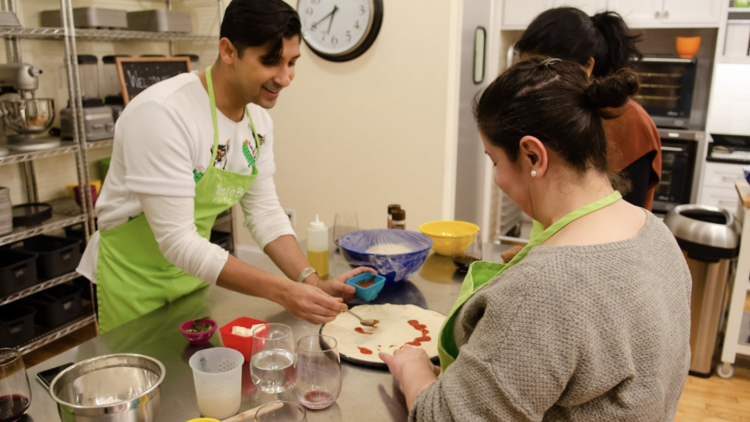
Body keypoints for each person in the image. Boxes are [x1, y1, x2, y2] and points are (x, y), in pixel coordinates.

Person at [379, 58, 691, 421]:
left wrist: (411, 367)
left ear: (533, 155)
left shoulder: (543, 289)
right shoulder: (657, 234)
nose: (497, 179)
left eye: (495, 161)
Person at [77, 0, 373, 333]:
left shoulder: (257, 121)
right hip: (133, 281)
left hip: (192, 273)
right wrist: (284, 291)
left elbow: (263, 212)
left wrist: (310, 281)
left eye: (292, 62)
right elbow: (176, 239)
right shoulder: (163, 114)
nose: (286, 78)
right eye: (271, 62)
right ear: (229, 51)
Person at [515, 7, 661, 210]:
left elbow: (627, 215)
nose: (532, 85)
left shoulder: (631, 121)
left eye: (543, 72)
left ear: (587, 66)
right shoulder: (558, 112)